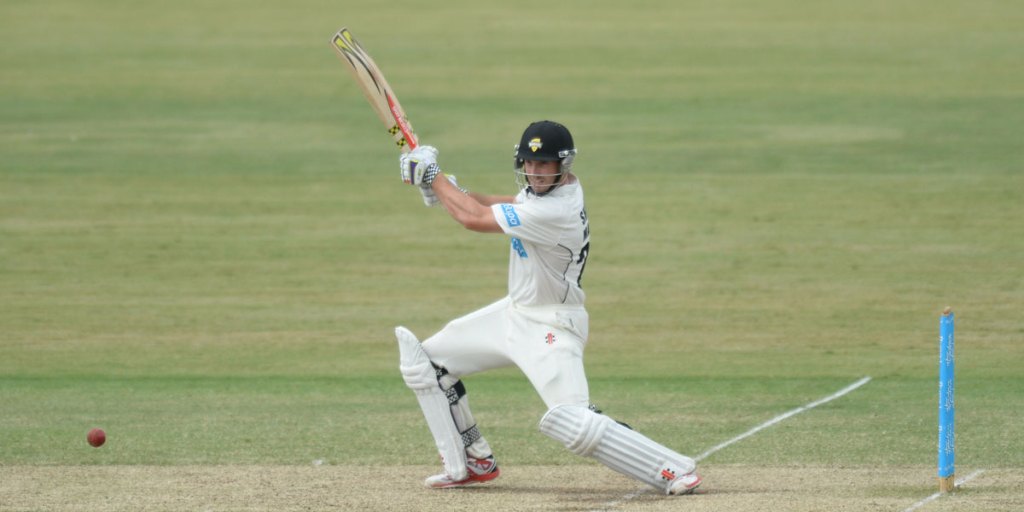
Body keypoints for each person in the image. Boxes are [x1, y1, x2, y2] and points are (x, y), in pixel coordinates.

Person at [394, 120, 702, 495]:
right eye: (529, 163)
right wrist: (449, 190)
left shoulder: (557, 212)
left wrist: (435, 177)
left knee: (572, 423)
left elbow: (473, 219)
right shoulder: (544, 193)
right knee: (427, 364)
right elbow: (503, 205)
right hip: (515, 313)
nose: (535, 172)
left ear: (563, 166)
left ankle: (671, 469)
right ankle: (473, 461)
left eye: (544, 166)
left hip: (551, 327)